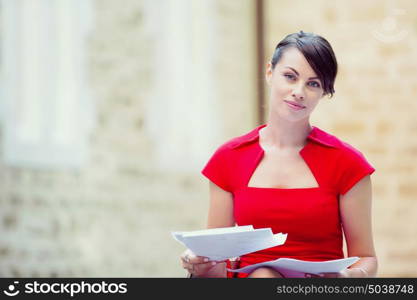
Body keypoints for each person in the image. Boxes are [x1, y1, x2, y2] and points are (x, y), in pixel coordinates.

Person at [180, 31, 377, 278]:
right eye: (290, 77)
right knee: (263, 275)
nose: (299, 91)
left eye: (313, 83)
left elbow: (366, 257)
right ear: (270, 72)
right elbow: (216, 269)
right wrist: (200, 264)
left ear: (323, 91)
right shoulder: (229, 159)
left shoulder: (348, 164)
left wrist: (347, 277)